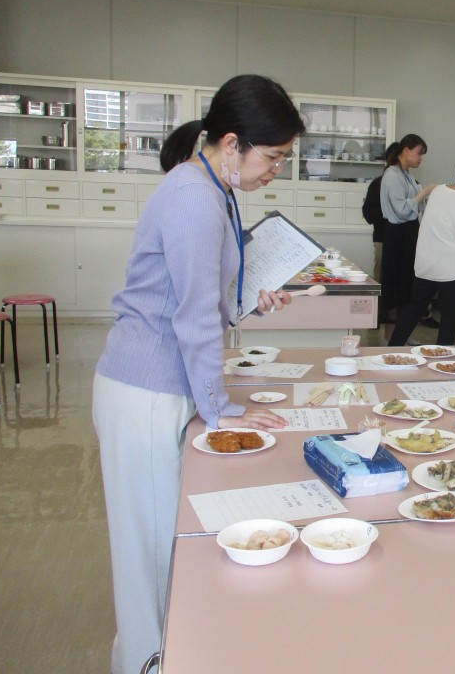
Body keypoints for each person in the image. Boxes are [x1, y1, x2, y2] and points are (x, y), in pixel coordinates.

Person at [92, 74, 304, 674]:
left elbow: (204, 296)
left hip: (160, 385)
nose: (276, 171)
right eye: (274, 157)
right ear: (233, 143)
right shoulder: (192, 197)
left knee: (160, 543)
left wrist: (248, 302)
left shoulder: (214, 189)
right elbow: (189, 318)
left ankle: (155, 655)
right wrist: (222, 411)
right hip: (145, 390)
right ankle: (145, 662)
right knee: (149, 552)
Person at [389, 156, 455, 346]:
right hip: (449, 270)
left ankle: (393, 347)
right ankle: (443, 356)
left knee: (414, 308)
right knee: (450, 315)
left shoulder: (438, 190)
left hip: (425, 263)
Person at [378, 134, 437, 338]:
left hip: (410, 233)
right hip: (397, 235)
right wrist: (426, 190)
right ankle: (391, 337)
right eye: (419, 153)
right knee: (395, 285)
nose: (420, 158)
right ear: (406, 151)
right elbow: (402, 210)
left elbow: (418, 205)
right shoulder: (392, 175)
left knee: (407, 286)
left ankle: (401, 335)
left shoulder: (407, 175)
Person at [362, 142, 399, 283]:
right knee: (381, 276)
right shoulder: (377, 184)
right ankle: (378, 305)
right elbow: (368, 214)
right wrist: (389, 210)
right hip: (383, 238)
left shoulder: (412, 183)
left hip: (405, 240)